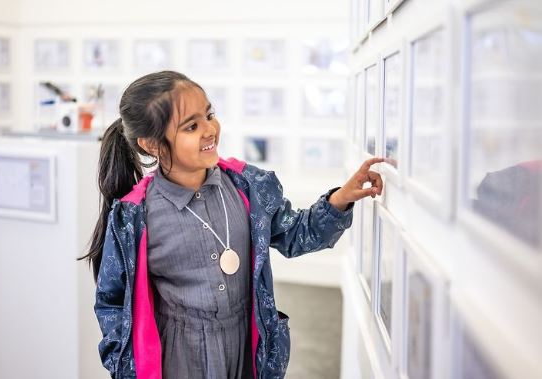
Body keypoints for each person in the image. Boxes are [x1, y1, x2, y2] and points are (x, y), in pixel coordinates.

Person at [81, 70, 384, 379]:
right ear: (152, 145)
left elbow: (295, 234)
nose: (210, 129)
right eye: (192, 126)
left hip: (244, 348)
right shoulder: (134, 217)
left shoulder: (247, 186)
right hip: (179, 357)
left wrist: (341, 198)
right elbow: (112, 301)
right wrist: (125, 366)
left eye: (209, 114)